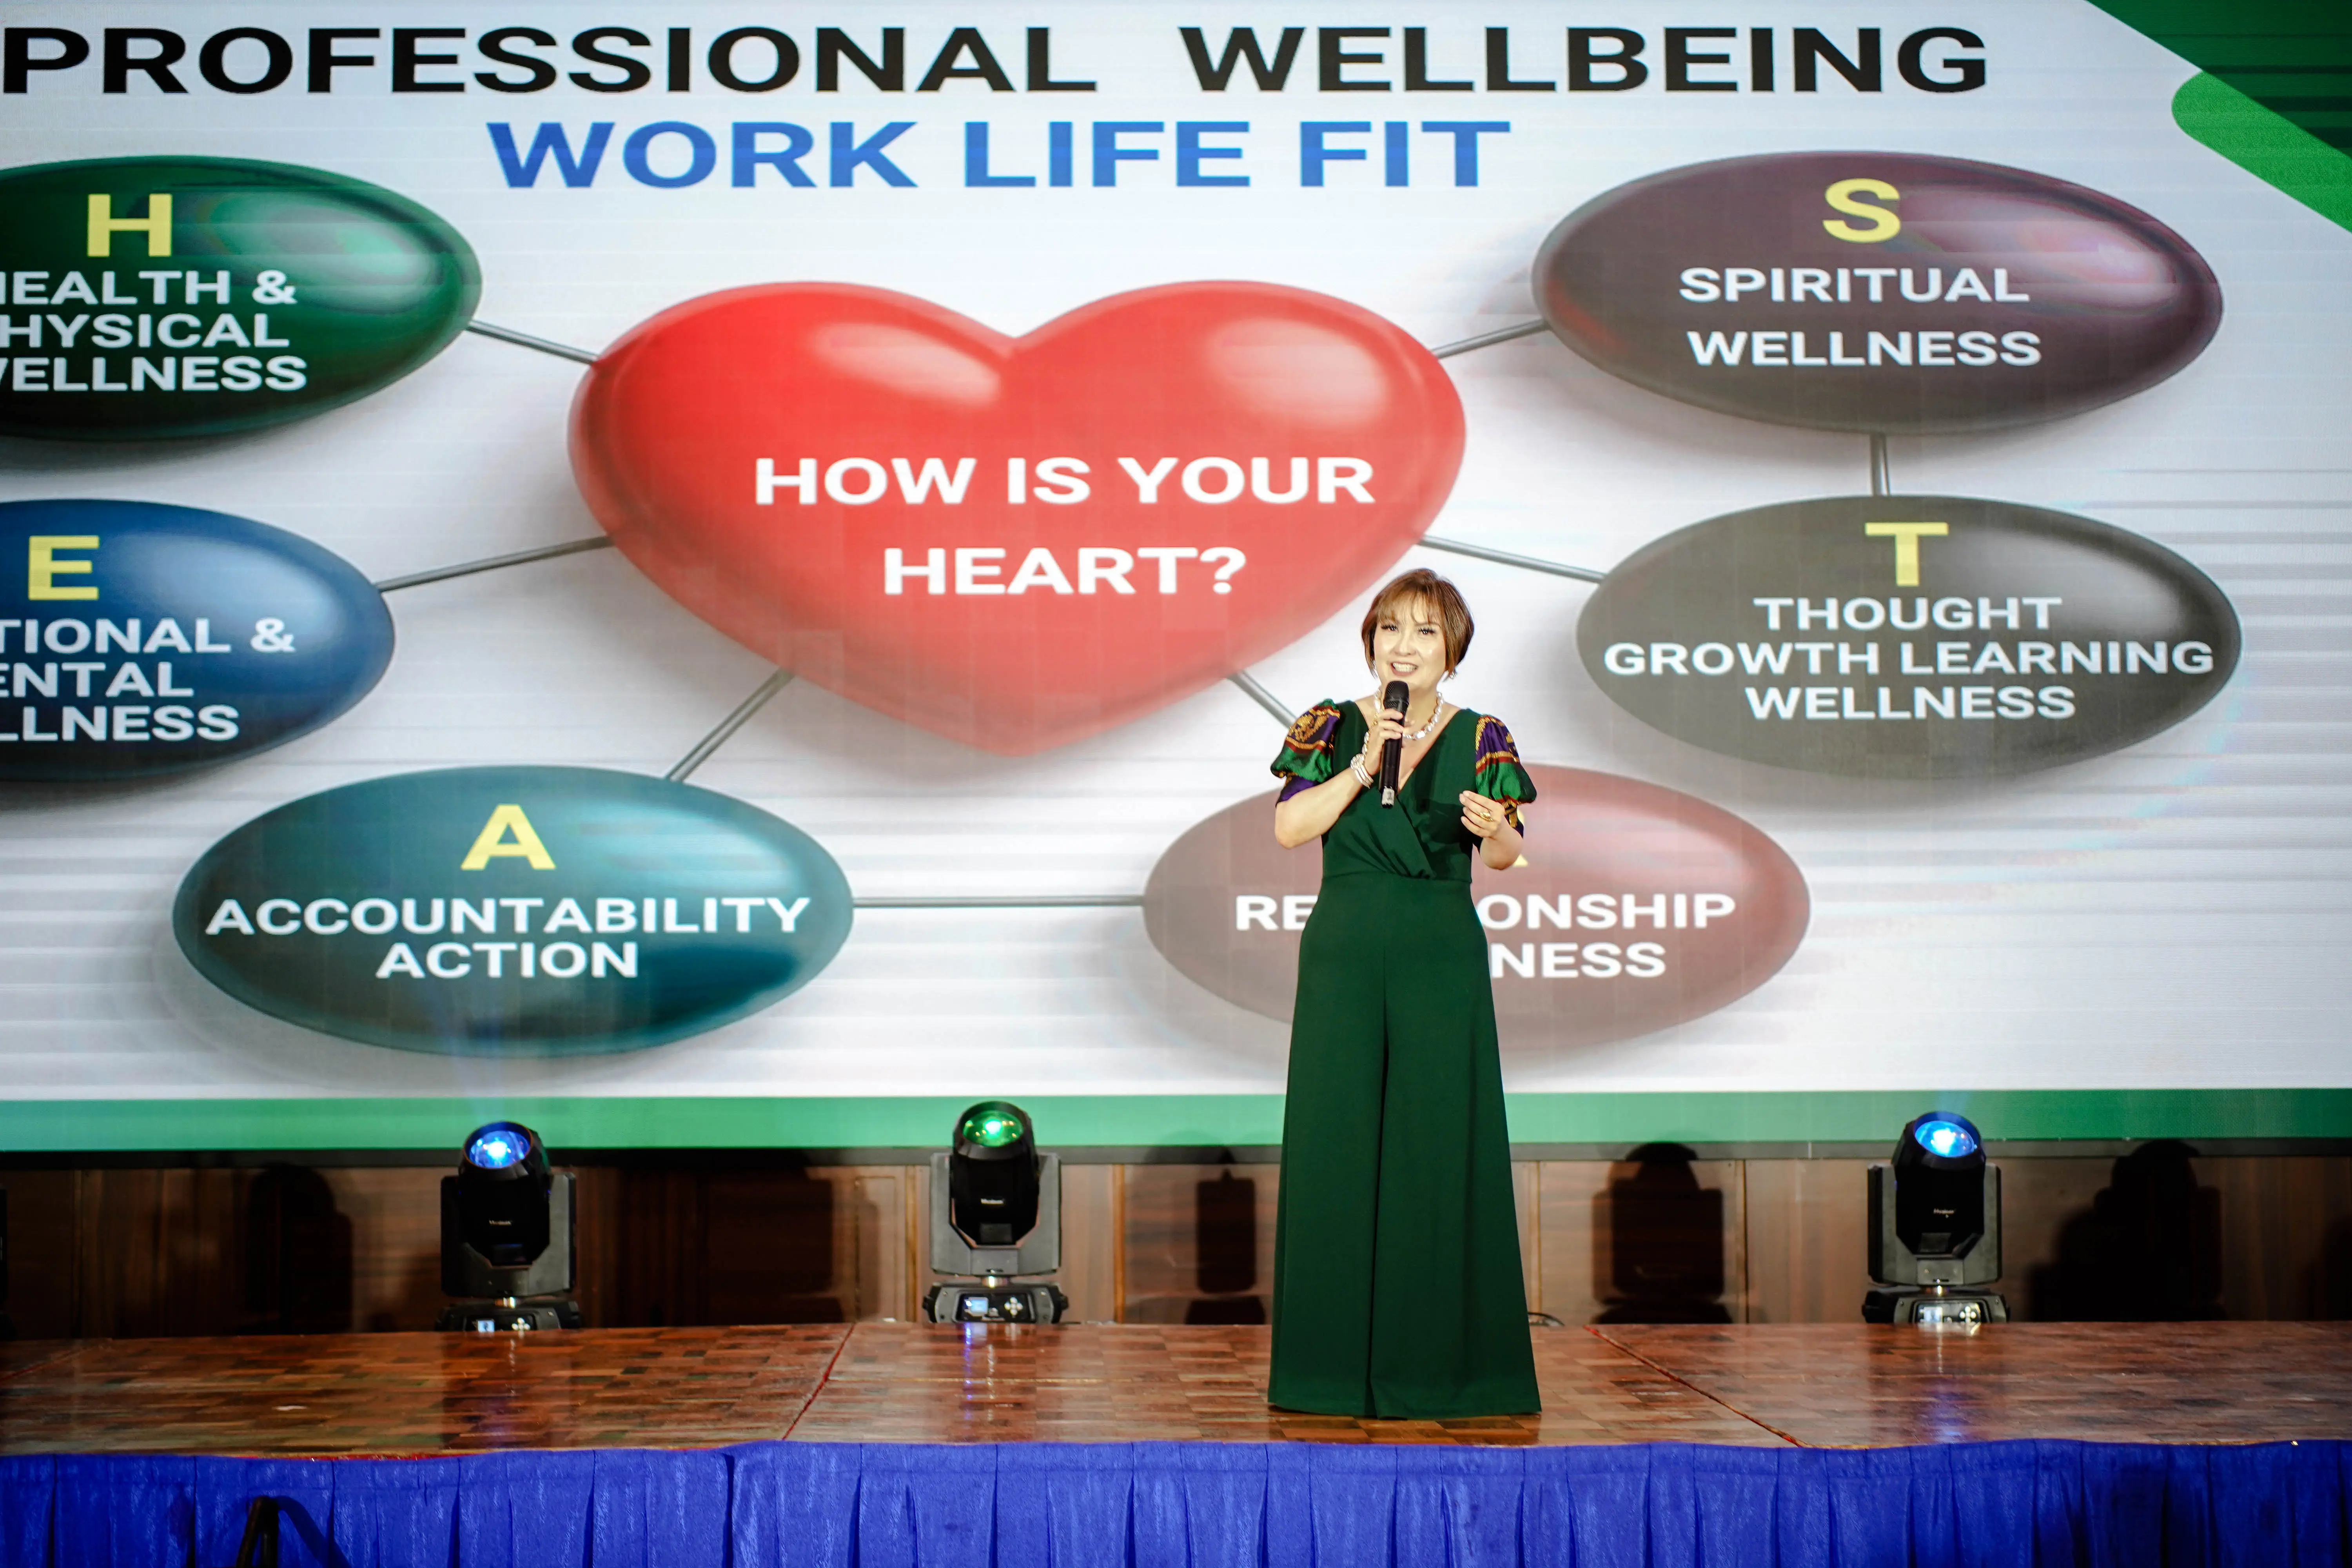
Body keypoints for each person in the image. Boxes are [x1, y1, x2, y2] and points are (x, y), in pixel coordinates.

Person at [1264, 567, 1541, 1418]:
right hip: (1346, 947)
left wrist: (1498, 831)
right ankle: (1326, 1370)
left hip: (1438, 950)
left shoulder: (1483, 733)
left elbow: (1507, 855)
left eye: (1423, 631)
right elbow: (1289, 828)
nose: (1404, 646)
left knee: (1436, 1147)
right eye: (1390, 629)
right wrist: (1357, 769)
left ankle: (1443, 1368)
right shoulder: (1332, 724)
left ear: (1451, 649)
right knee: (1336, 1142)